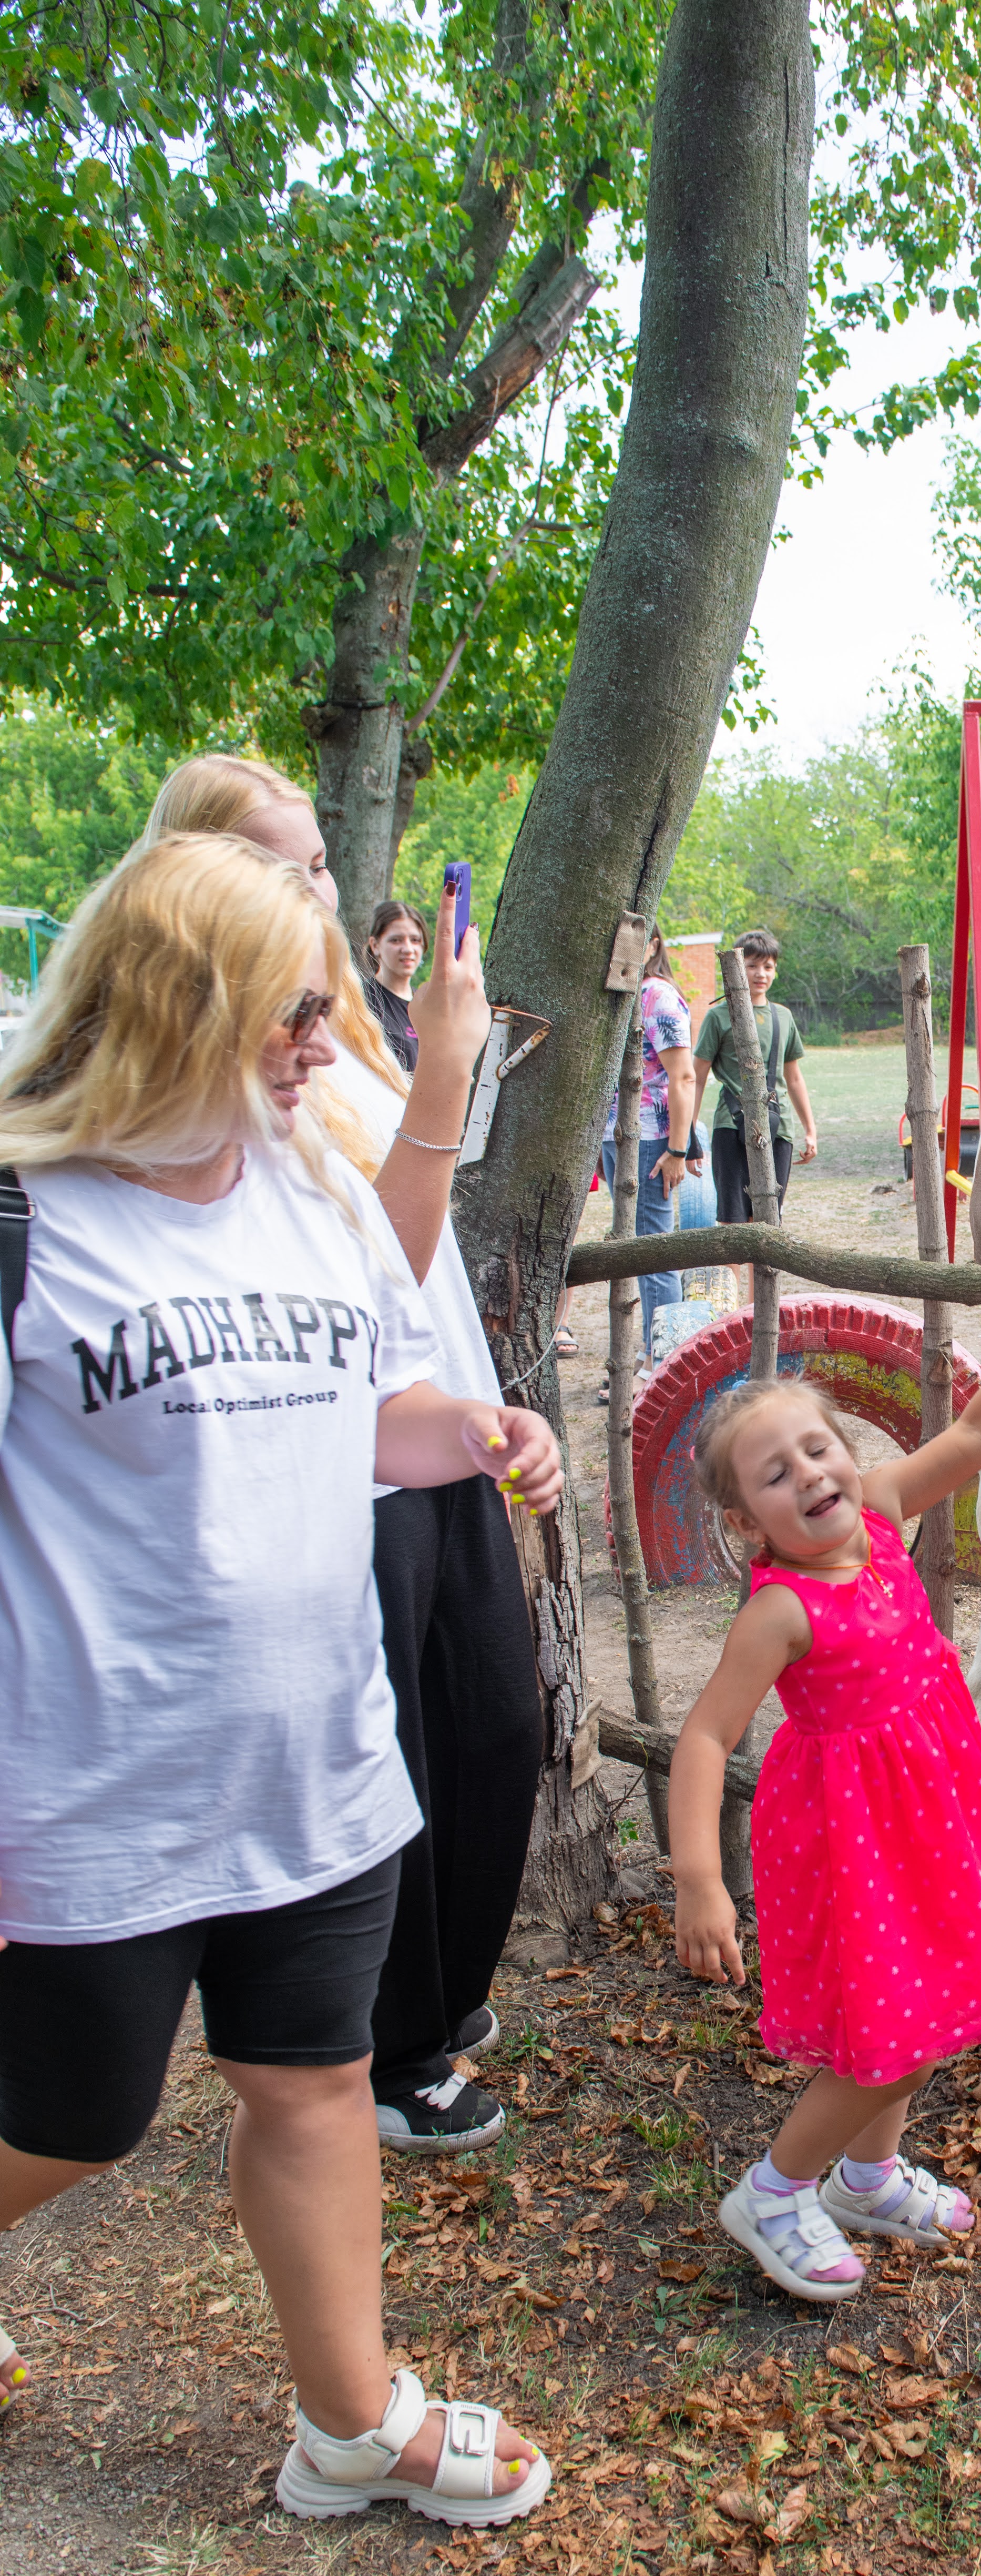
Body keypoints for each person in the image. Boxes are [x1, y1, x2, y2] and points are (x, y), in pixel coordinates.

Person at [0, 833, 556, 2524]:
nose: (328, 1042)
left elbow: (365, 1412)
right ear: (179, 999)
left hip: (319, 1762)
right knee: (77, 2119)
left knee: (312, 2084)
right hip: (96, 1786)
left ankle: (350, 2423)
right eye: (294, 1010)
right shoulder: (29, 1216)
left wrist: (473, 1429)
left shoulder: (313, 1191)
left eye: (326, 1007)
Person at [143, 757, 539, 2157]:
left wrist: (442, 1063)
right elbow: (380, 1269)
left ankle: (439, 1994)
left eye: (319, 860)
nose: (317, 885)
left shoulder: (339, 1021)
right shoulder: (247, 1048)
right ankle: (394, 2050)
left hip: (434, 1419)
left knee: (494, 1725)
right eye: (285, 863)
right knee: (405, 1754)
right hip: (343, 1453)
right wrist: (447, 1071)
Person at [667, 1346, 981, 2301]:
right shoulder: (779, 1610)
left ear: (847, 1452)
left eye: (818, 1448)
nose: (809, 1474)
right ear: (743, 1521)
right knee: (896, 2033)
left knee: (918, 2007)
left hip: (934, 1822)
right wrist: (699, 1880)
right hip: (853, 1844)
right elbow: (707, 1737)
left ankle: (868, 2177)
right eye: (775, 1474)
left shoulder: (882, 1510)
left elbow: (978, 1432)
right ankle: (774, 2190)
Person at [569, 928, 698, 1385]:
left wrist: (678, 1149)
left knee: (653, 1250)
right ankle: (651, 1351)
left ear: (654, 945)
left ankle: (663, 1366)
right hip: (616, 1135)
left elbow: (683, 1077)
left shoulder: (657, 996)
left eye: (638, 939)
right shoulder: (623, 994)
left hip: (648, 1137)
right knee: (639, 1247)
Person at [691, 931, 818, 1304]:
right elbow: (697, 1076)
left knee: (767, 1223)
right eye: (752, 965)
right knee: (732, 1223)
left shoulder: (784, 1017)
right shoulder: (718, 1016)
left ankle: (758, 1310)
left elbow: (794, 1077)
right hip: (730, 1127)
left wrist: (810, 1129)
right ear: (737, 968)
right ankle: (731, 1312)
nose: (761, 973)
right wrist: (689, 1135)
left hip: (779, 1128)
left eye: (768, 967)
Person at [363, 899, 430, 1072]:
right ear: (375, 946)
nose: (408, 949)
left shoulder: (428, 1006)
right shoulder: (361, 1000)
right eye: (396, 940)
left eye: (415, 940)